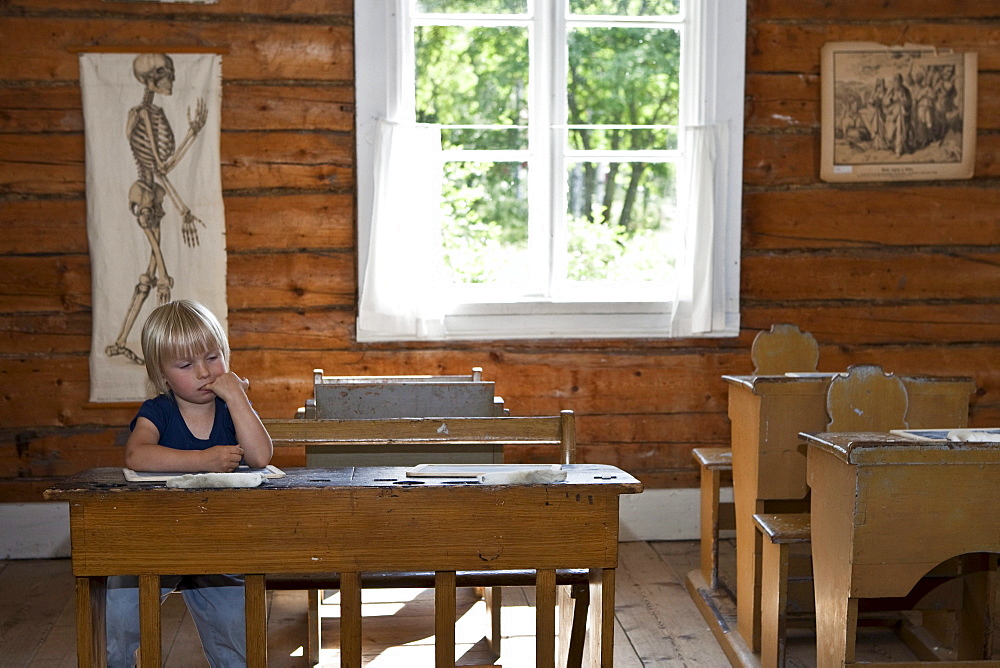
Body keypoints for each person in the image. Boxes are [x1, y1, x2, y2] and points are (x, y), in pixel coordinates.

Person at [106, 299, 273, 667]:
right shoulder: (158, 411)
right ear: (163, 375)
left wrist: (239, 397)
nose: (204, 373)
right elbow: (137, 455)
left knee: (236, 636)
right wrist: (204, 460)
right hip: (155, 541)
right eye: (186, 365)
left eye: (213, 358)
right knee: (120, 622)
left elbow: (260, 456)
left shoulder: (232, 409)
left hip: (220, 543)